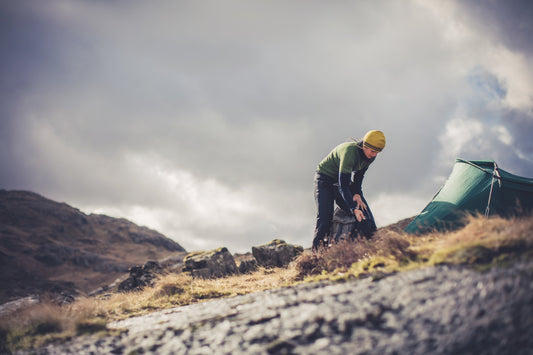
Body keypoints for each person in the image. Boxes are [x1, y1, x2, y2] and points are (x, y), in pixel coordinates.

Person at [312, 130, 386, 250]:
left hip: (341, 180)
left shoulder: (370, 156)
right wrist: (353, 208)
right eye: (373, 151)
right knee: (325, 219)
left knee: (364, 213)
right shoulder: (349, 153)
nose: (374, 155)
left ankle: (373, 248)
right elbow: (343, 186)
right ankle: (314, 256)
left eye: (377, 152)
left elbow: (358, 176)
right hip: (324, 180)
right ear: (365, 145)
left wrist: (357, 193)